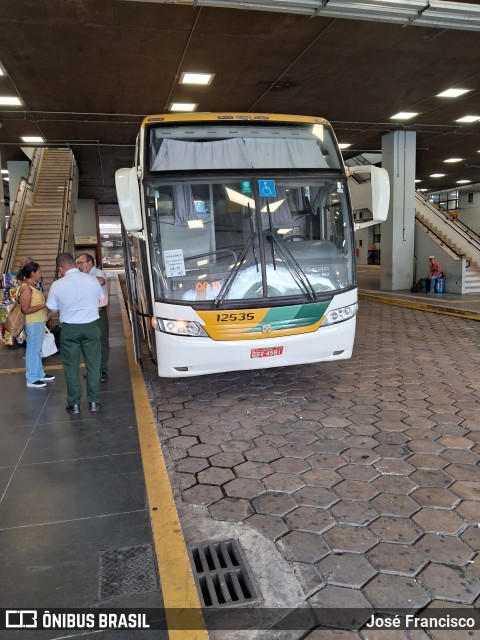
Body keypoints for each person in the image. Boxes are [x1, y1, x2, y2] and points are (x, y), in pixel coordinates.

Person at [46, 253, 106, 414]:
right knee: (93, 366)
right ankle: (94, 402)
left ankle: (74, 405)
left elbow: (53, 309)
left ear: (60, 269)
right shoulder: (92, 280)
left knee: (71, 367)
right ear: (74, 264)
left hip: (70, 329)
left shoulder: (57, 285)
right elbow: (101, 300)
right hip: (91, 327)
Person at [17, 262, 55, 388]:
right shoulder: (26, 288)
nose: (40, 274)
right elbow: (25, 309)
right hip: (32, 323)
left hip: (37, 322)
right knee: (33, 351)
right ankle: (32, 378)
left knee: (37, 350)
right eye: (39, 271)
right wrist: (43, 304)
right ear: (32, 273)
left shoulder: (30, 286)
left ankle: (39, 373)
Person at [76, 253, 109, 382]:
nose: (78, 265)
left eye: (80, 262)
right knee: (89, 342)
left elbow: (101, 281)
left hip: (99, 312)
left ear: (89, 262)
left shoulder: (98, 273)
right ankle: (92, 370)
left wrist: (83, 277)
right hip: (87, 313)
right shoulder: (82, 276)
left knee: (102, 341)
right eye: (78, 263)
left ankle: (102, 370)